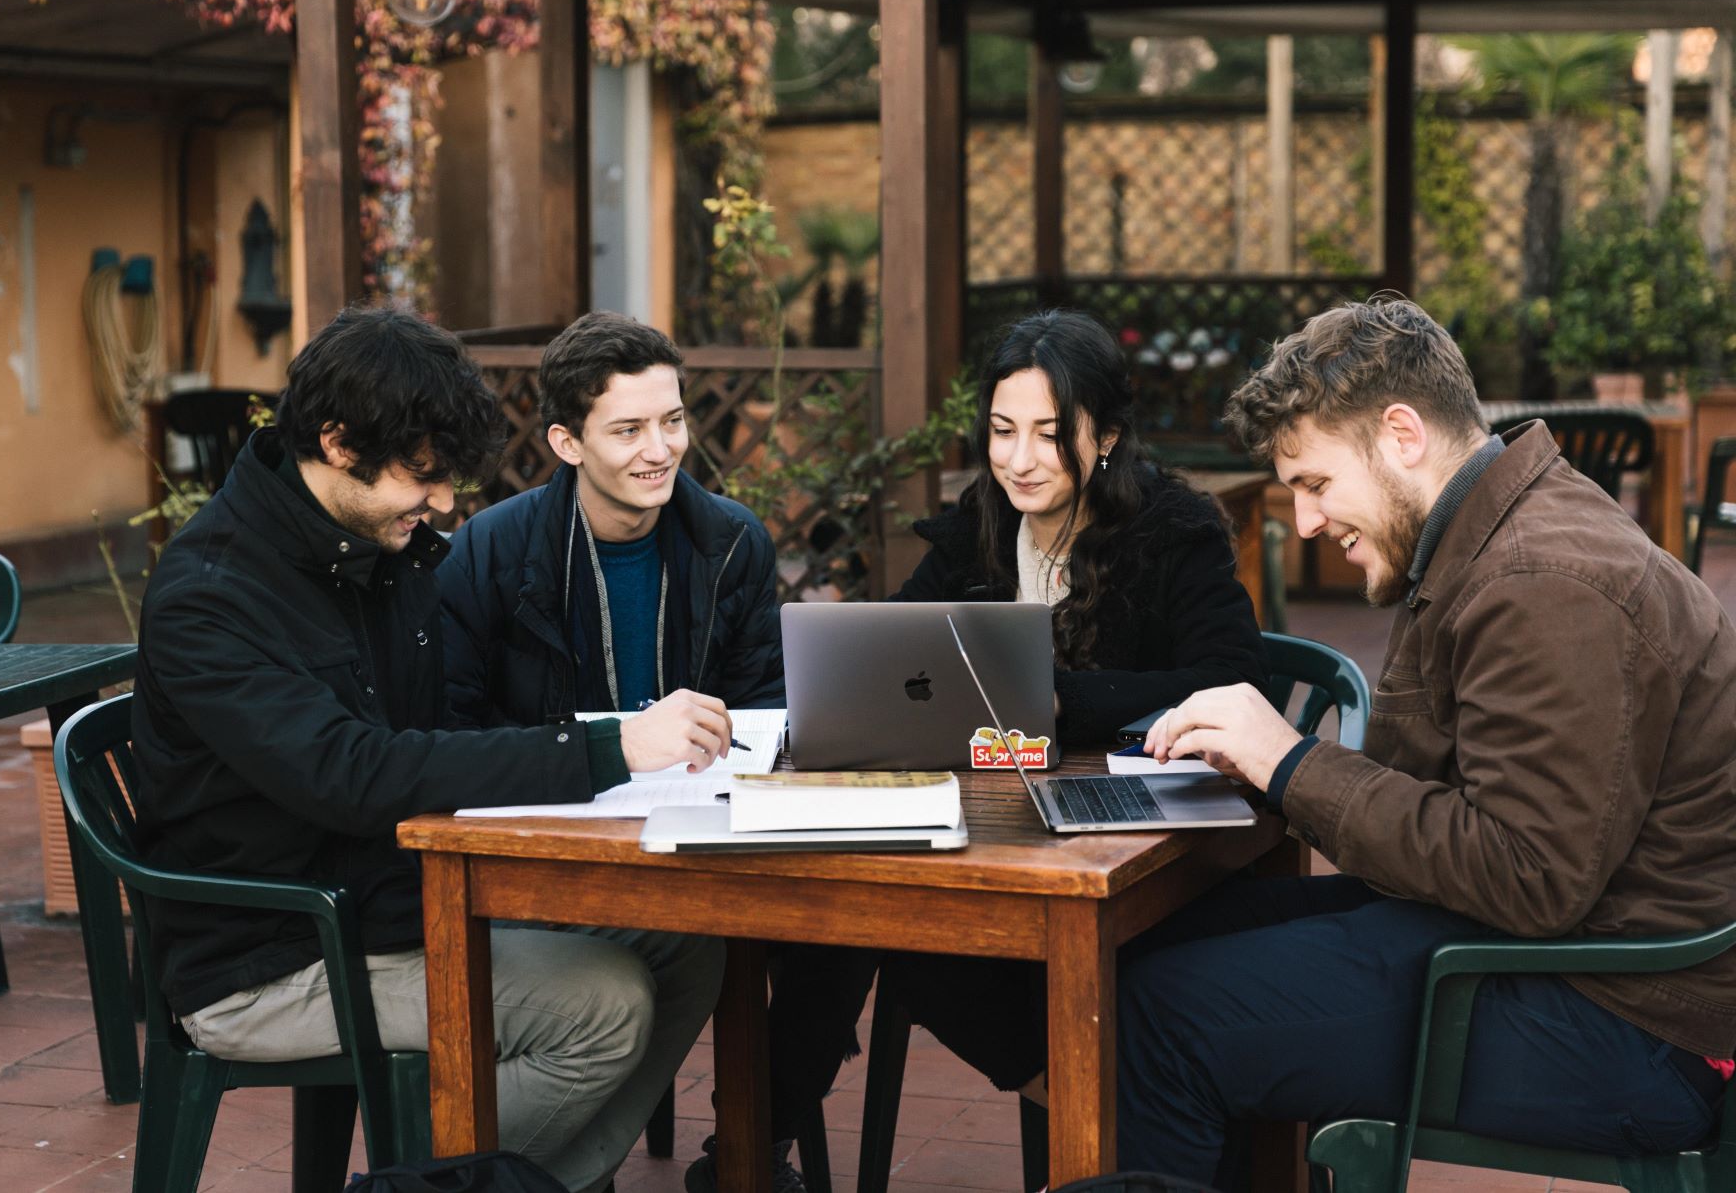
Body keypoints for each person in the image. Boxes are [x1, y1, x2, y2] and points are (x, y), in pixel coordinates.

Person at [1123, 295, 1736, 1186]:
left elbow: (1530, 875)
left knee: (1159, 1016)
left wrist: (1292, 762)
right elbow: (1443, 802)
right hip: (1566, 952)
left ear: (1401, 432)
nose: (1304, 522)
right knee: (1160, 944)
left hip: (1631, 1019)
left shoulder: (1542, 579)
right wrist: (1266, 762)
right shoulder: (1488, 536)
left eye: (1316, 483)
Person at [130, 304, 732, 1193]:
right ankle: (430, 1182)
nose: (445, 502)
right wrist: (607, 747)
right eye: (423, 476)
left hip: (400, 895)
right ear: (337, 442)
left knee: (690, 940)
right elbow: (357, 773)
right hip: (281, 949)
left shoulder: (371, 547)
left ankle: (496, 1185)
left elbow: (434, 740)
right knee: (606, 1004)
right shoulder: (211, 597)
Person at [756, 309, 1270, 1175]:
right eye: (1001, 431)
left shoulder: (1171, 531)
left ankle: (1102, 1106)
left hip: (1125, 843)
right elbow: (898, 641)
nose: (1019, 459)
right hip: (990, 826)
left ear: (1104, 436)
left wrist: (1063, 703)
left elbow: (1230, 675)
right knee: (844, 904)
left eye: (1048, 434)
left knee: (910, 942)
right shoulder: (979, 522)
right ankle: (754, 1144)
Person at [441, 309, 784, 728]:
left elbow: (762, 704)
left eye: (672, 422)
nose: (660, 450)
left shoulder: (734, 541)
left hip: (699, 787)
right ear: (568, 444)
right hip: (549, 792)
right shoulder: (484, 554)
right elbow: (454, 729)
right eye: (629, 430)